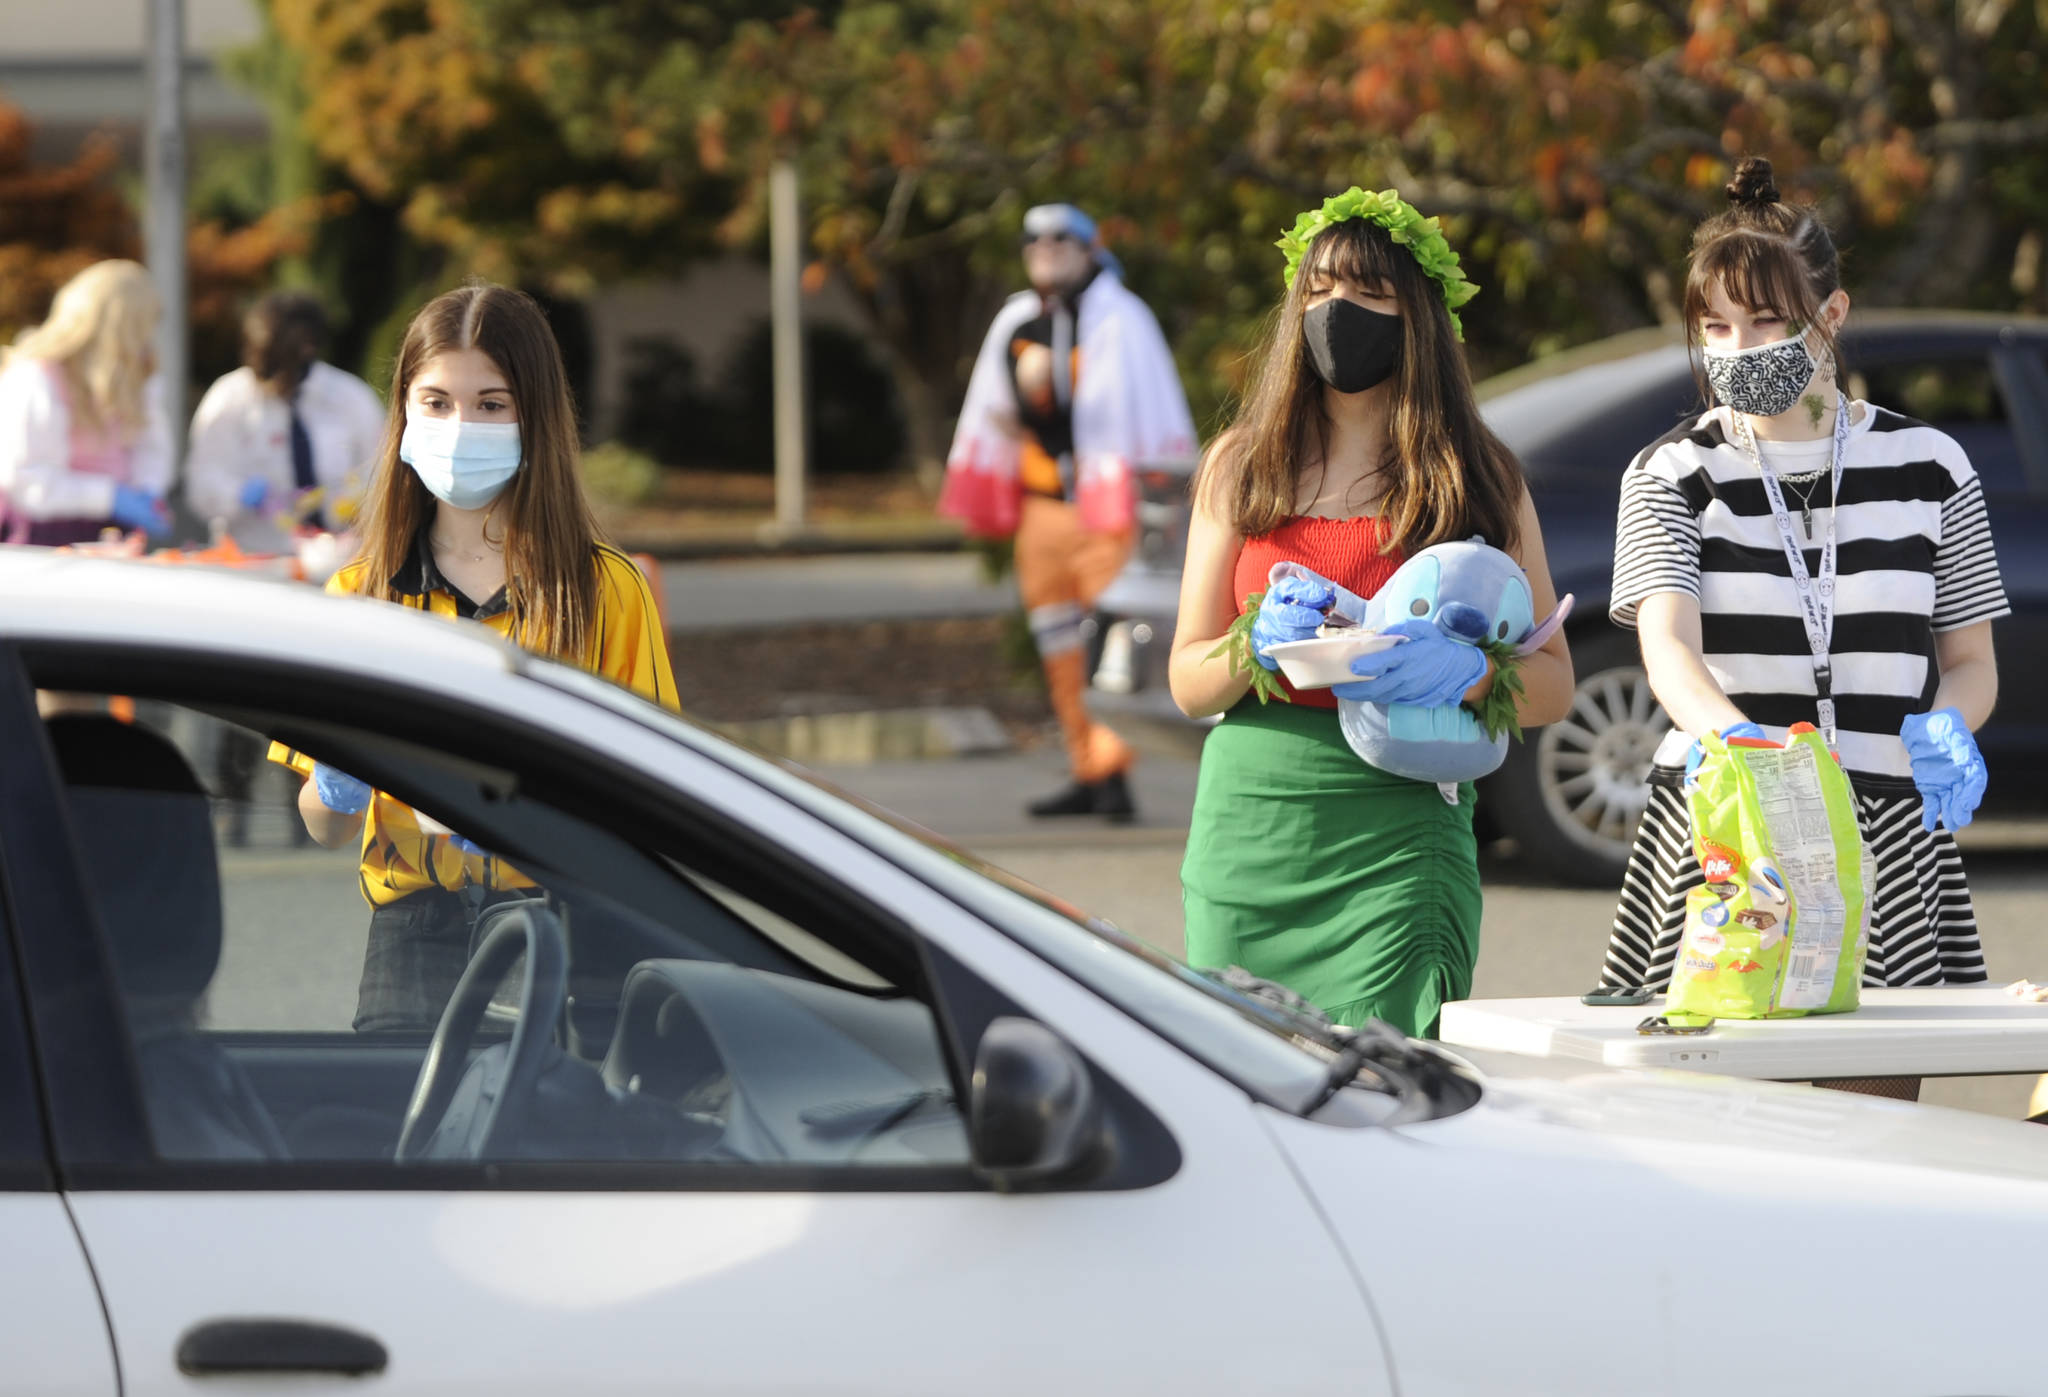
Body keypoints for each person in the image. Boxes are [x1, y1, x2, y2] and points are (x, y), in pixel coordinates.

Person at [1598, 158, 2007, 1098]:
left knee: (1880, 1117)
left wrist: (1952, 722)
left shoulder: (1931, 463)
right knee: (1721, 1114)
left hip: (1887, 823)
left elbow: (1971, 657)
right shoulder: (1672, 468)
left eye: (1768, 321)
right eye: (1717, 326)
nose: (1739, 347)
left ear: (1833, 315)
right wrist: (1733, 737)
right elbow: (1667, 641)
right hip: (1732, 823)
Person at [1169, 188, 1574, 1038]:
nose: (1336, 313)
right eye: (1316, 293)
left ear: (1418, 317)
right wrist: (1254, 647)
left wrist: (1466, 673)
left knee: (1389, 1094)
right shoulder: (1238, 466)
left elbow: (1552, 686)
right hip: (1252, 831)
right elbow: (1186, 681)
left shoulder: (1479, 477)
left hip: (1399, 831)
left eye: (1368, 295)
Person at [275, 282, 679, 1032]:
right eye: (436, 402)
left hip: (567, 927)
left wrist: (531, 815)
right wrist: (339, 780)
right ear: (402, 415)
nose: (461, 426)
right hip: (412, 934)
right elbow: (323, 827)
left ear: (536, 415)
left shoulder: (605, 591)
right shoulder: (356, 597)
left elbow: (655, 805)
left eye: (491, 404)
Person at [941, 202, 1197, 822]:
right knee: (1057, 645)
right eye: (1033, 240)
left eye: (1060, 238)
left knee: (1103, 643)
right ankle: (1088, 767)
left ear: (1089, 247)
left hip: (1106, 511)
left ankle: (1110, 769)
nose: (1045, 248)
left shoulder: (1123, 321)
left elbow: (1150, 414)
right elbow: (993, 410)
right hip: (1043, 511)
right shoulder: (1018, 321)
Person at [185, 291, 385, 553]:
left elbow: (382, 474)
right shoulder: (229, 399)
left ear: (309, 349)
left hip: (337, 559)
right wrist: (239, 495)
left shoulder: (352, 400)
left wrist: (352, 500)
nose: (270, 378)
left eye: (279, 364)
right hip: (253, 560)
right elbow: (200, 484)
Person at [0, 259, 173, 544]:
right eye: (142, 330)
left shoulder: (136, 380)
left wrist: (147, 490)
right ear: (120, 331)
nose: (148, 342)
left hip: (110, 533)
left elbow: (149, 446)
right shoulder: (38, 378)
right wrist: (109, 496)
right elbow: (29, 484)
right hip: (41, 536)